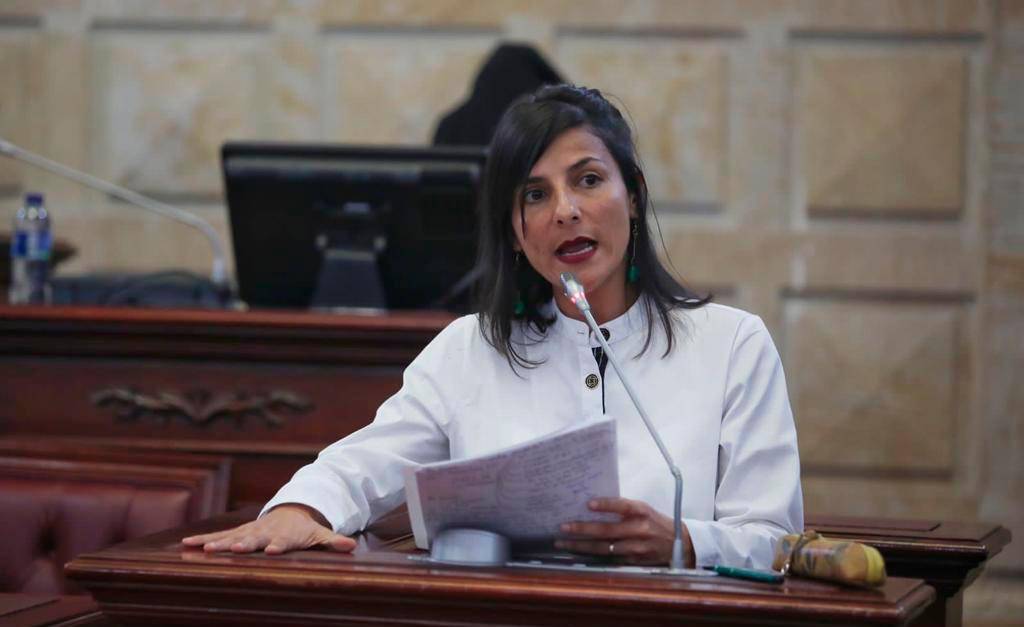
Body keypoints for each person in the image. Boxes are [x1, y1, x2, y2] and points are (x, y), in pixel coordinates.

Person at [184, 84, 803, 569]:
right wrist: (300, 509)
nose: (565, 211)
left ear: (634, 194)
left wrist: (686, 542)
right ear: (513, 230)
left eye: (588, 180)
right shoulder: (469, 350)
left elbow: (776, 540)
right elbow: (364, 462)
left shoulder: (731, 345)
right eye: (534, 195)